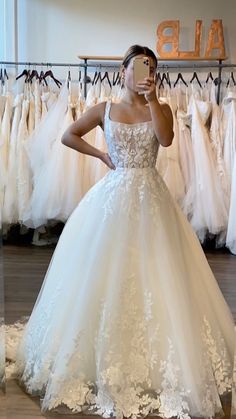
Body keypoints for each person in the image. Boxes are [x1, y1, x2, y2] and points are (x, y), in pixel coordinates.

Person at [14, 45, 236, 419]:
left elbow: (165, 140)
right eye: (137, 66)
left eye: (150, 67)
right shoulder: (104, 110)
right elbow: (69, 135)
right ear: (123, 70)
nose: (143, 72)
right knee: (102, 274)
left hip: (153, 201)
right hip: (111, 198)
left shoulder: (161, 108)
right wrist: (100, 156)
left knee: (158, 275)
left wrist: (153, 99)